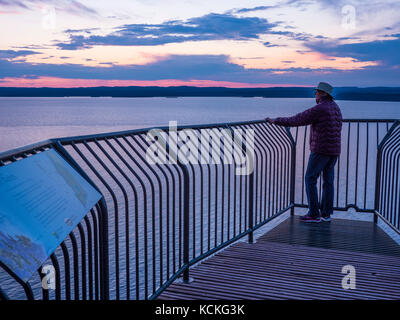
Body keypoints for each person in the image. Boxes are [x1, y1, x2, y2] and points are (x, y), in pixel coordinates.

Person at [266, 82, 343, 223]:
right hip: (334, 150)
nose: (316, 95)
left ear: (323, 94)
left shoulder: (321, 108)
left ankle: (314, 214)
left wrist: (275, 121)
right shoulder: (335, 107)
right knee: (328, 181)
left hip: (321, 149)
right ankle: (326, 214)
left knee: (310, 179)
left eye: (317, 92)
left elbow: (298, 119)